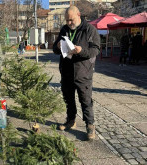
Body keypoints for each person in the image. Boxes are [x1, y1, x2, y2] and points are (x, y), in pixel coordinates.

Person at [53, 5, 100, 140]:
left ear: (78, 15)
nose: (69, 23)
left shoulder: (89, 30)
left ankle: (90, 125)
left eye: (71, 20)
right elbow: (55, 50)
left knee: (85, 100)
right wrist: (57, 46)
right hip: (66, 72)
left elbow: (95, 50)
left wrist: (81, 51)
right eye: (67, 20)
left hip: (83, 72)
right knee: (68, 99)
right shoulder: (64, 29)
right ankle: (71, 120)